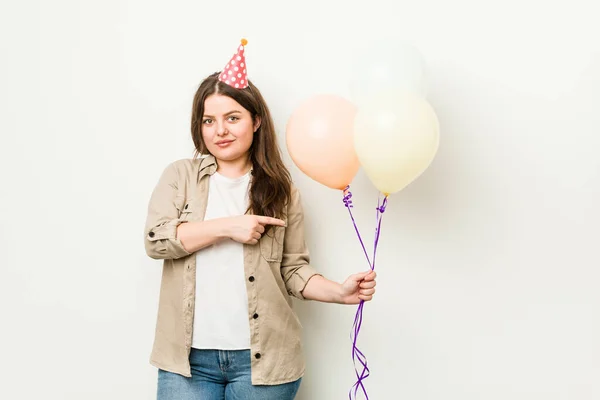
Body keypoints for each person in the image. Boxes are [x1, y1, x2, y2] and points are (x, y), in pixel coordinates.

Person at [143, 39, 377, 400]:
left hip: (264, 365)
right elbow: (157, 240)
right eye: (209, 121)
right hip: (187, 364)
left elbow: (293, 270)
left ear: (255, 121)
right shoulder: (180, 177)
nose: (220, 130)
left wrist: (338, 292)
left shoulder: (281, 192)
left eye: (232, 118)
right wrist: (228, 227)